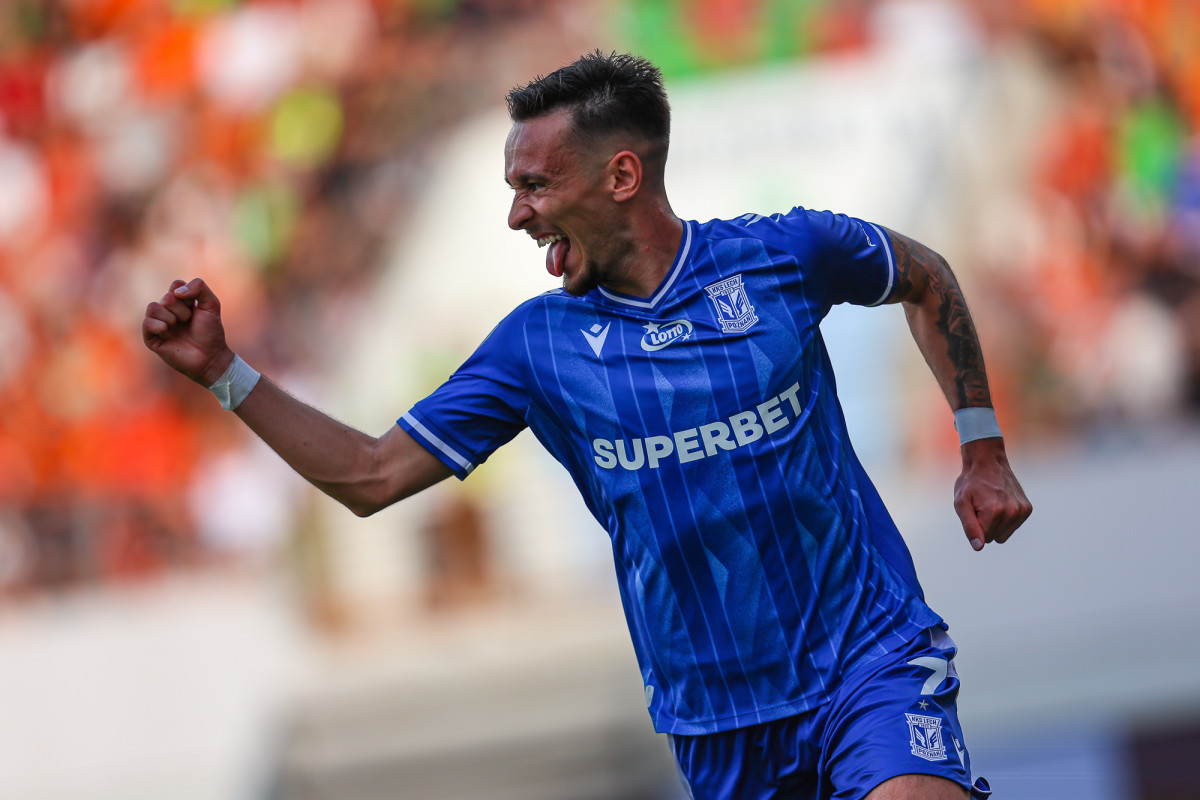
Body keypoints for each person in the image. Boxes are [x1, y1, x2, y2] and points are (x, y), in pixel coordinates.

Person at [143, 51, 1031, 800]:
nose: (516, 214)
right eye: (512, 189)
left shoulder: (782, 255)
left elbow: (924, 275)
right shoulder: (537, 347)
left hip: (867, 659)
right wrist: (225, 373)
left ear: (622, 177)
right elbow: (372, 475)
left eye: (535, 185)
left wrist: (982, 448)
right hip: (719, 723)